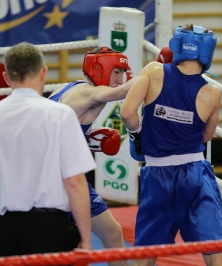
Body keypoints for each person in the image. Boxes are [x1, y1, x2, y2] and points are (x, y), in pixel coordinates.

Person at [0, 42, 94, 257]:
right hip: (51, 226)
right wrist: (87, 240)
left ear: (6, 78)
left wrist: (10, 197)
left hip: (6, 228)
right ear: (43, 73)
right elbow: (75, 182)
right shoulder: (60, 115)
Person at [120, 24, 222, 266]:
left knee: (146, 253)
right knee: (215, 249)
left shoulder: (153, 72)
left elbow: (127, 113)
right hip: (195, 176)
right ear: (207, 53)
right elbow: (206, 136)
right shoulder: (212, 93)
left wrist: (137, 135)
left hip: (157, 176)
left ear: (177, 45)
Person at [48, 46, 136, 266]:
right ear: (99, 69)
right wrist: (159, 72)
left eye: (122, 73)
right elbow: (123, 92)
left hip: (53, 176)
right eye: (116, 72)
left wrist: (86, 140)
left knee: (111, 234)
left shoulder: (67, 88)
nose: (120, 79)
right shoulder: (89, 92)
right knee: (47, 246)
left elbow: (55, 135)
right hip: (63, 182)